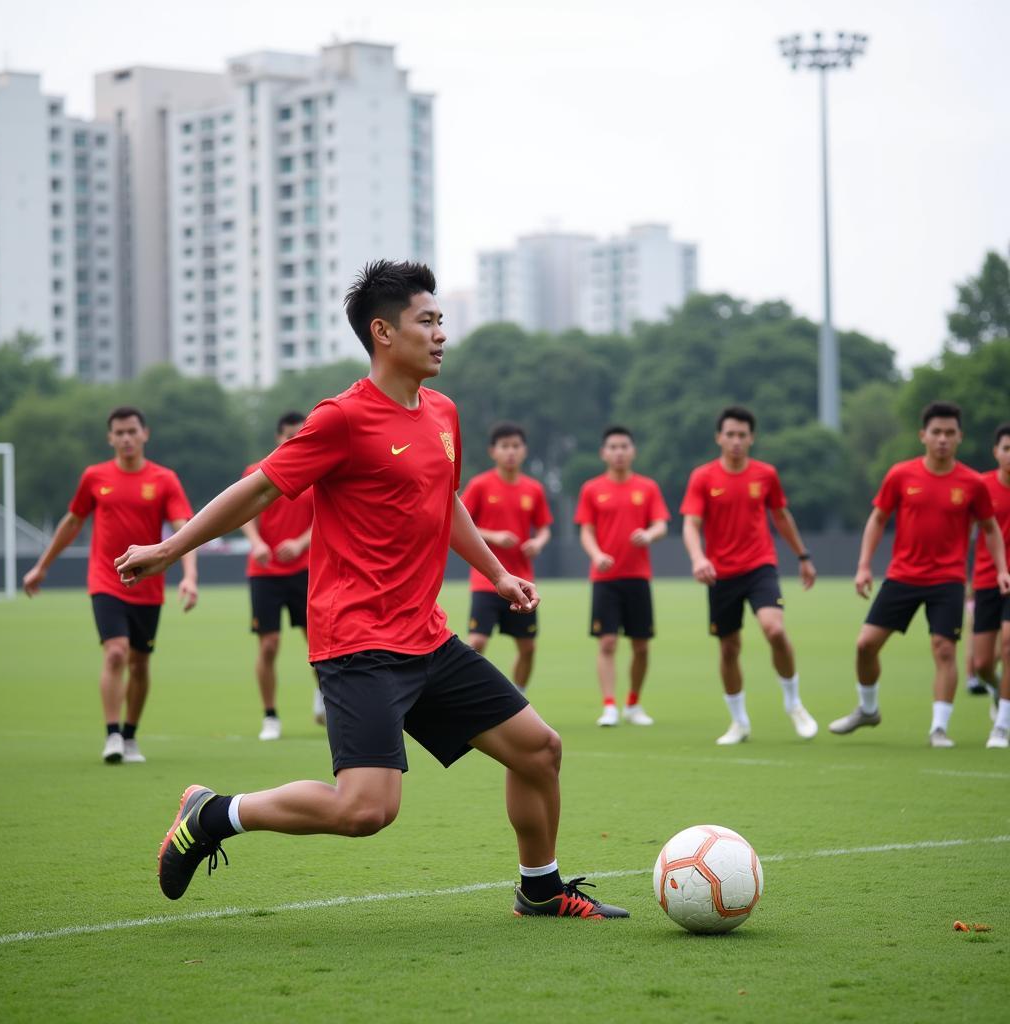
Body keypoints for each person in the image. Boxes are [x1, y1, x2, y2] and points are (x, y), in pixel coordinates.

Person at [115, 260, 628, 919]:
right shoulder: (343, 418)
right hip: (358, 641)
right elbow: (261, 487)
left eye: (443, 320)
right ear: (384, 332)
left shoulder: (443, 413)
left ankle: (541, 889)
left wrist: (496, 570)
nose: (441, 333)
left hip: (425, 635)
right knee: (366, 810)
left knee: (538, 750)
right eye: (427, 321)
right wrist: (168, 548)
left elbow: (442, 500)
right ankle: (214, 814)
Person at [23, 406, 197, 763]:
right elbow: (72, 522)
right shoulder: (94, 476)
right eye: (119, 433)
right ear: (110, 438)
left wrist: (190, 576)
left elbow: (185, 530)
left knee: (140, 663)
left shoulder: (164, 479)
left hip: (147, 585)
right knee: (116, 651)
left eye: (132, 431)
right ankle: (113, 735)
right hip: (106, 578)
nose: (126, 438)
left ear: (145, 434)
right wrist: (41, 567)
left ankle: (131, 736)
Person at [831, 402, 1010, 747]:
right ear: (923, 436)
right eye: (936, 432)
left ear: (960, 437)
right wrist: (864, 565)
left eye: (949, 433)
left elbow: (990, 529)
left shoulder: (972, 483)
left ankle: (938, 729)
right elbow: (878, 519)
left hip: (948, 580)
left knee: (944, 650)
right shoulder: (901, 475)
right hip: (903, 576)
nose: (942, 439)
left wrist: (1002, 569)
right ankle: (868, 709)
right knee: (865, 645)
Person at [680, 406, 819, 745]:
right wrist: (699, 558)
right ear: (719, 437)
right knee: (729, 648)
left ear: (752, 438)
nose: (736, 441)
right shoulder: (703, 477)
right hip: (720, 574)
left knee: (774, 629)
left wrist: (803, 556)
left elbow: (781, 517)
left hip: (760, 566)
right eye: (730, 434)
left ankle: (794, 703)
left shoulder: (765, 474)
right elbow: (691, 524)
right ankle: (739, 722)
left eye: (743, 435)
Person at [575, 426, 669, 727]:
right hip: (605, 579)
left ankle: (633, 703)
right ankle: (610, 705)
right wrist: (597, 555)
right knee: (607, 643)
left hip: (638, 577)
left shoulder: (648, 487)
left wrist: (649, 534)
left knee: (641, 645)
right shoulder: (592, 489)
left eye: (624, 446)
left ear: (633, 451)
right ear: (604, 453)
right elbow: (586, 531)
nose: (618, 452)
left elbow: (661, 524)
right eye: (613, 447)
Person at [241, 411, 322, 740]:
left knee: (318, 643)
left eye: (300, 435)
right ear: (278, 438)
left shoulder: (317, 473)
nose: (294, 441)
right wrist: (257, 542)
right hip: (264, 571)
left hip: (305, 570)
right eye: (289, 436)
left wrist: (300, 542)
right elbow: (243, 511)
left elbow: (325, 518)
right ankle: (270, 716)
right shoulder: (257, 471)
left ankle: (324, 697)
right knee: (269, 645)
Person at [461, 422, 553, 694]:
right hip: (485, 579)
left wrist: (538, 541)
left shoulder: (533, 489)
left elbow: (545, 526)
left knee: (528, 647)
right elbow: (460, 523)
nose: (510, 452)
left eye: (516, 446)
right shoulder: (480, 485)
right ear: (493, 451)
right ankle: (465, 696)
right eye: (505, 446)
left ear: (524, 451)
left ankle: (519, 696)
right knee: (476, 642)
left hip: (522, 580)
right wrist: (494, 536)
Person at [971, 423, 1010, 748]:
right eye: (1007, 449)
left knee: (1009, 645)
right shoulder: (980, 486)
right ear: (996, 452)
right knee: (983, 664)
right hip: (985, 579)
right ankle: (997, 690)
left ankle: (1002, 726)